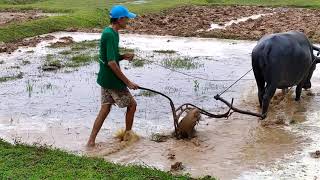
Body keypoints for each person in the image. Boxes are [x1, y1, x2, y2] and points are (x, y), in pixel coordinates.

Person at [87, 5, 139, 147]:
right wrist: (128, 82)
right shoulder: (110, 34)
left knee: (105, 108)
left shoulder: (112, 32)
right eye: (126, 18)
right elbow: (111, 63)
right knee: (132, 105)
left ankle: (91, 142)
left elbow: (111, 57)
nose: (128, 21)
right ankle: (128, 136)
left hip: (104, 78)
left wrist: (122, 56)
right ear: (120, 19)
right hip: (111, 79)